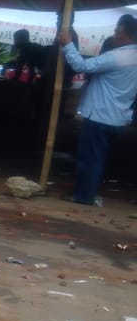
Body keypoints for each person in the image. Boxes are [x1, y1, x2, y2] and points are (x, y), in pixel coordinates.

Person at [57, 15, 137, 207]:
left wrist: (68, 44)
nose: (114, 35)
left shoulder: (118, 56)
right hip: (117, 117)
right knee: (97, 157)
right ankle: (87, 192)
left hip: (100, 116)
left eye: (117, 31)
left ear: (127, 35)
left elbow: (81, 66)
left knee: (90, 158)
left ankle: (83, 196)